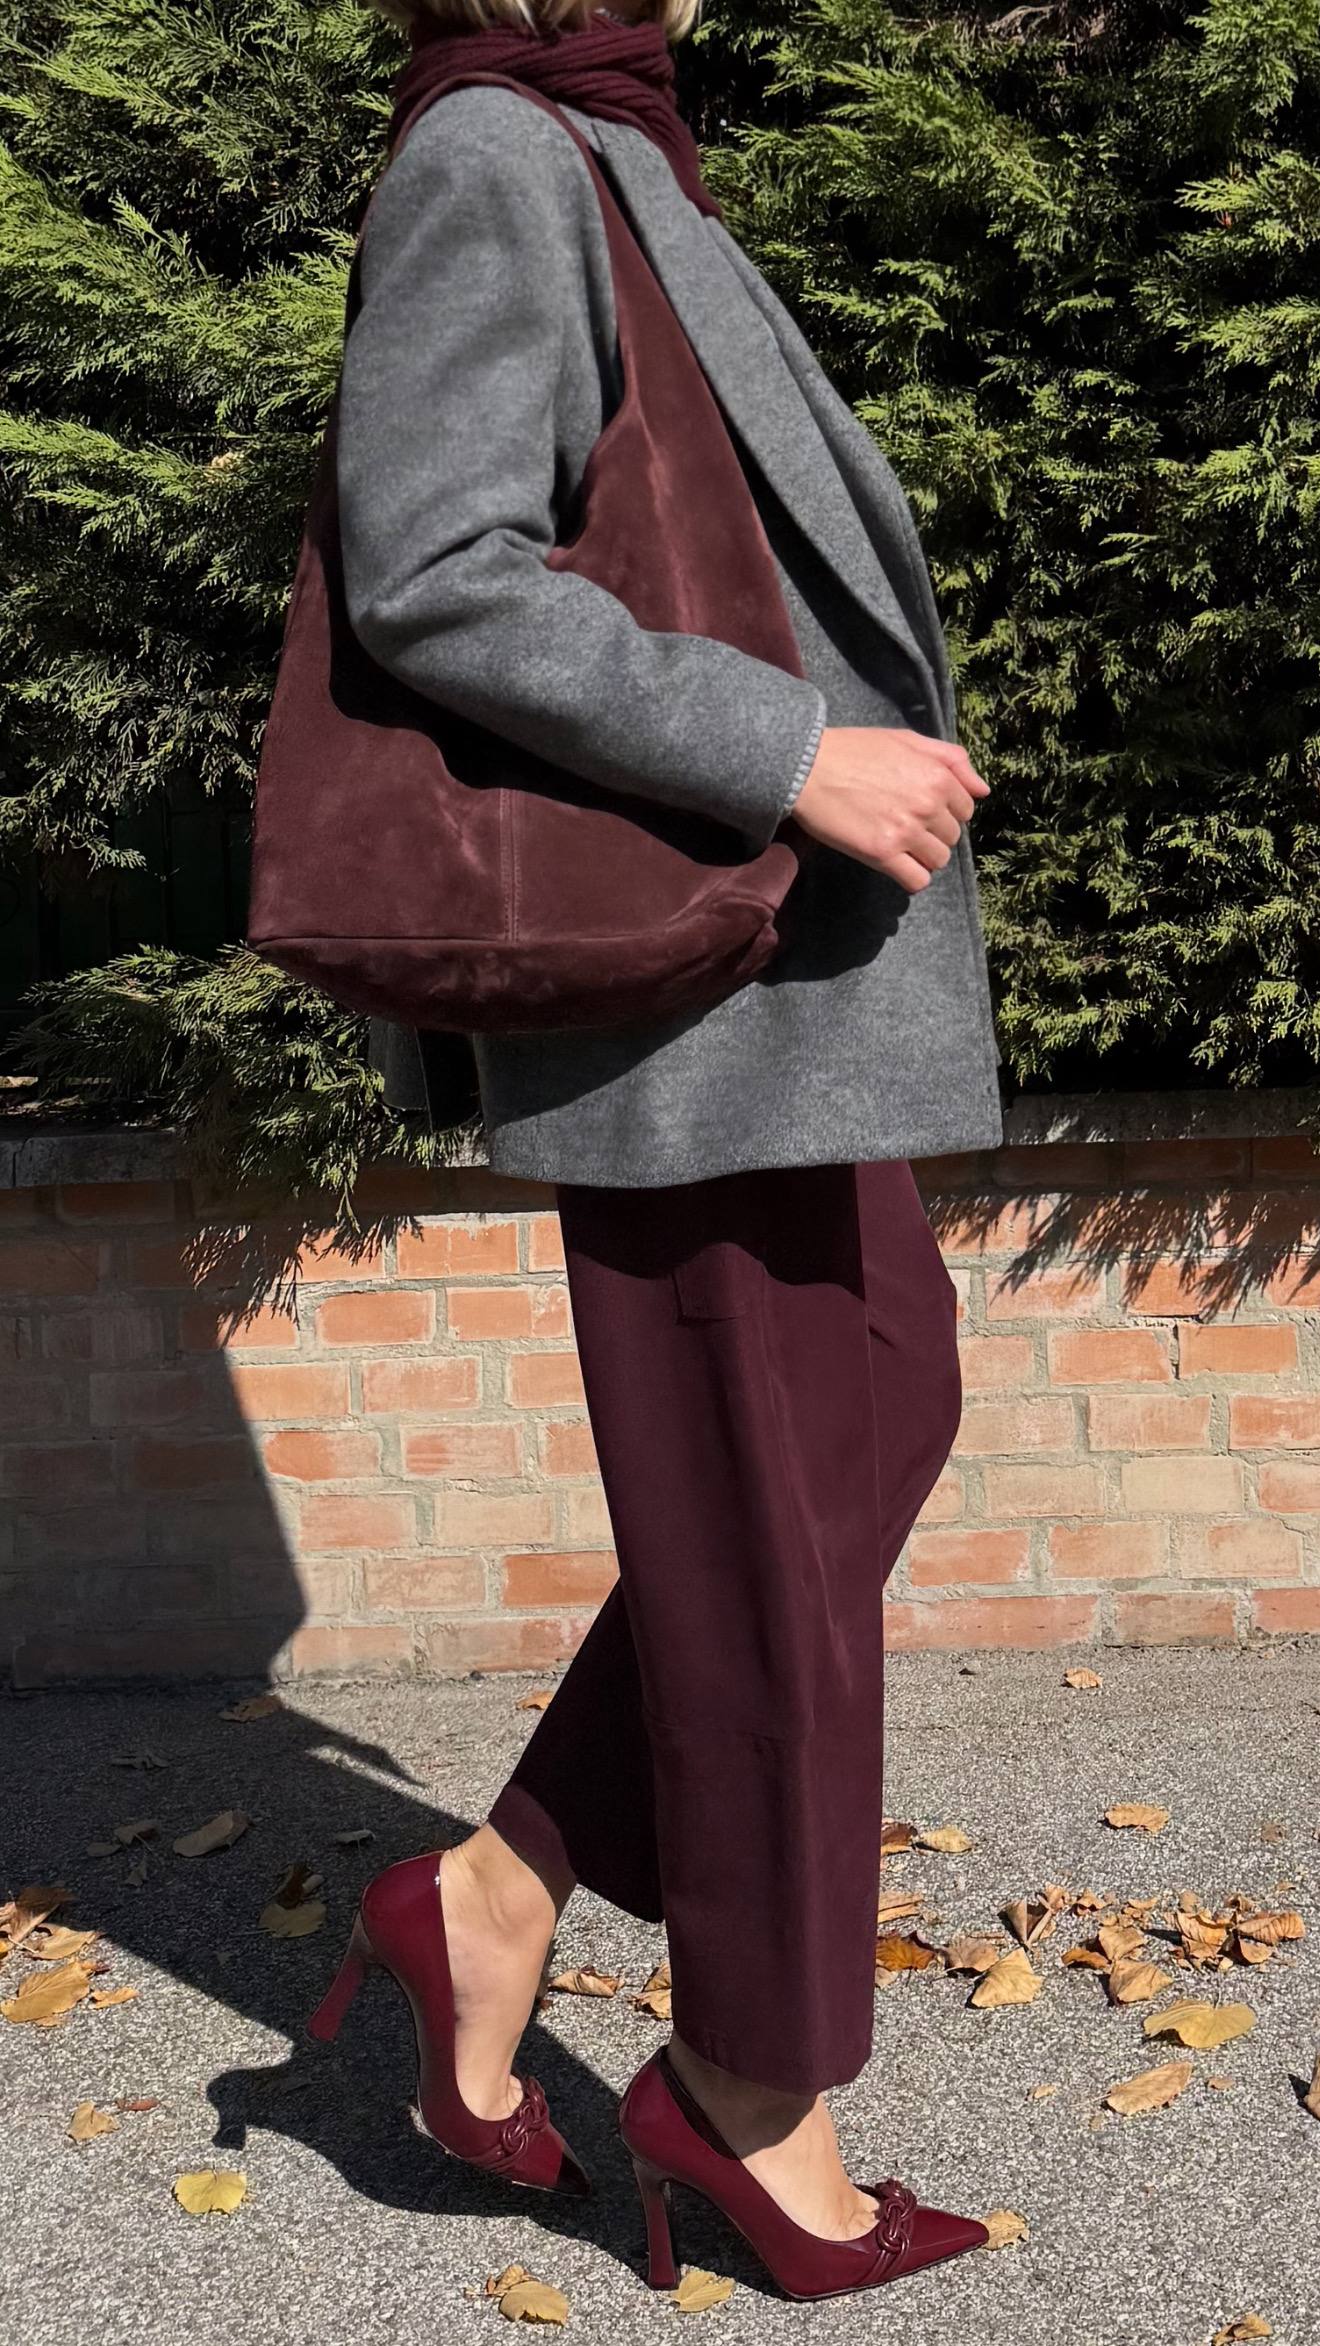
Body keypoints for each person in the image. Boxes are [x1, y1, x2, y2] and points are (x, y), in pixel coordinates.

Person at [309, 0, 1004, 2302]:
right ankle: (748, 2094)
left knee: (872, 1410)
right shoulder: (496, 152)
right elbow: (435, 562)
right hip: (688, 976)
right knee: (771, 1512)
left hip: (781, 984)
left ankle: (489, 1899)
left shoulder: (615, 147)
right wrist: (787, 748)